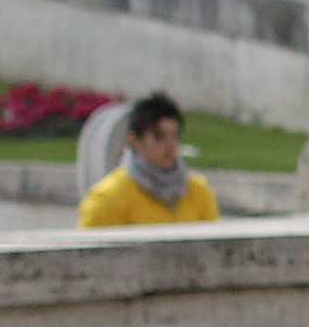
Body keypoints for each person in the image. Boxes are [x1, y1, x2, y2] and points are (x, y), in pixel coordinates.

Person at [77, 94, 220, 227]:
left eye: (175, 136)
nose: (170, 145)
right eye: (159, 136)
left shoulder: (199, 191)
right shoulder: (107, 199)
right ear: (134, 140)